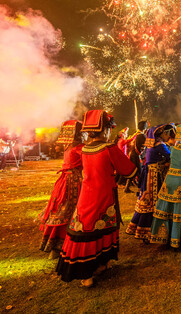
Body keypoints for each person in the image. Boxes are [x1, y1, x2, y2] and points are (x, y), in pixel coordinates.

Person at [56, 110, 137, 287]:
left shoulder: (84, 148)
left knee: (85, 229)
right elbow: (129, 170)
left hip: (86, 195)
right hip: (104, 195)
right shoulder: (108, 148)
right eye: (109, 129)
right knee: (103, 227)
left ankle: (87, 275)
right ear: (104, 130)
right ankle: (101, 264)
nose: (110, 133)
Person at [39, 120, 87, 259]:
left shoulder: (68, 146)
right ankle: (67, 244)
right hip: (74, 181)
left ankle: (54, 247)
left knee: (60, 209)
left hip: (64, 181)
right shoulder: (80, 147)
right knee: (72, 211)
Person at [150, 124, 181, 248]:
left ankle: (162, 236)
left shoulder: (173, 148)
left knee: (167, 209)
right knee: (178, 211)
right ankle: (176, 239)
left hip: (169, 180)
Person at [126, 124, 172, 242]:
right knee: (153, 203)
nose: (168, 136)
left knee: (145, 201)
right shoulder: (160, 145)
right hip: (154, 177)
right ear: (162, 134)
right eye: (167, 133)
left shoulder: (151, 145)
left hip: (148, 176)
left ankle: (138, 228)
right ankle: (148, 231)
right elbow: (170, 157)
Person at [123, 121, 149, 193]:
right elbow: (144, 146)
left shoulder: (136, 134)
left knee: (134, 171)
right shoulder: (142, 136)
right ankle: (141, 189)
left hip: (132, 154)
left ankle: (127, 187)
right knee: (140, 171)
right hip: (136, 155)